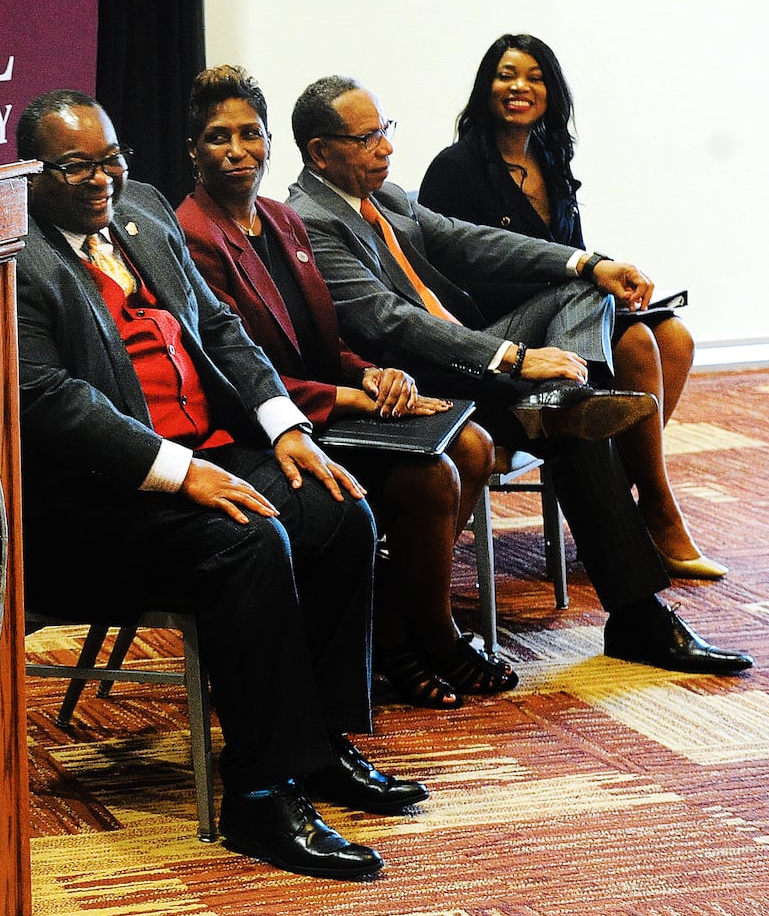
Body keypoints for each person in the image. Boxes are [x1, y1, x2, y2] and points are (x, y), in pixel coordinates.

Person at [16, 88, 428, 885]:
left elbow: (221, 329)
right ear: (34, 174)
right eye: (76, 167)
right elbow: (53, 405)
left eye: (111, 160)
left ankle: (319, 747)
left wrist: (288, 430)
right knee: (249, 542)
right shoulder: (20, 257)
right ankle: (260, 794)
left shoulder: (140, 212)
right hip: (104, 505)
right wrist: (183, 471)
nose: (101, 180)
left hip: (206, 451)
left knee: (339, 506)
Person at [284, 75, 752, 686]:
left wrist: (587, 260)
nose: (387, 148)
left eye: (385, 130)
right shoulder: (310, 219)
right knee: (577, 434)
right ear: (321, 152)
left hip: (477, 364)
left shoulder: (387, 197)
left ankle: (563, 402)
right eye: (368, 137)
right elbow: (389, 321)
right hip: (422, 385)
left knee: (584, 288)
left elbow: (465, 241)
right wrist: (511, 358)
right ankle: (637, 615)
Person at [176, 66, 507, 709]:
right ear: (194, 150)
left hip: (332, 404)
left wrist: (368, 372)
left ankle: (402, 626)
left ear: (273, 142)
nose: (239, 150)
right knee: (433, 474)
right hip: (271, 429)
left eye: (251, 134)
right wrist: (347, 396)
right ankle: (424, 637)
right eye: (220, 137)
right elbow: (231, 368)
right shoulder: (191, 235)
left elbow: (323, 336)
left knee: (471, 445)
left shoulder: (280, 219)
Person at [420, 34, 719, 579]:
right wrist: (584, 276)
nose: (519, 87)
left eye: (534, 77)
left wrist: (600, 283)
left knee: (672, 336)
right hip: (494, 331)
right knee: (628, 336)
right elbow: (453, 276)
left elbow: (567, 250)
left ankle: (617, 504)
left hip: (563, 318)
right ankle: (651, 508)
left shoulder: (552, 157)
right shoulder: (455, 168)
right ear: (486, 87)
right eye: (506, 75)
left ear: (551, 92)